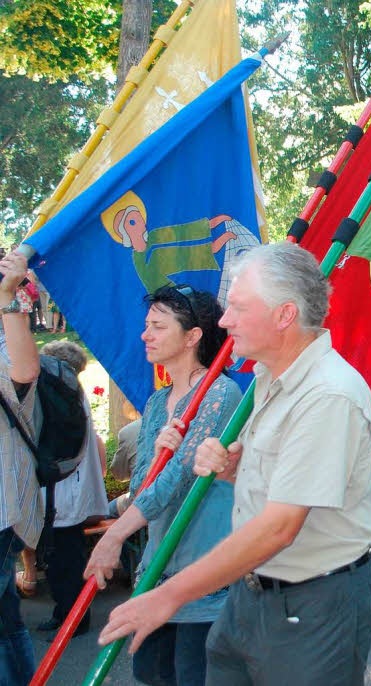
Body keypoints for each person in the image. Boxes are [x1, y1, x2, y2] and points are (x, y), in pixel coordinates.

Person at [97, 243, 371, 685]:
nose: (223, 322)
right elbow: (270, 474)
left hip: (312, 606)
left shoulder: (328, 395)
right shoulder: (270, 377)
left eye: (237, 308)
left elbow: (279, 527)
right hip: (250, 597)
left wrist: (167, 596)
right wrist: (232, 466)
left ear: (284, 315)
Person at [85, 285, 241, 685]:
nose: (145, 335)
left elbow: (177, 481)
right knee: (152, 676)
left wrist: (113, 537)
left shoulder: (220, 393)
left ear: (192, 337)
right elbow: (144, 487)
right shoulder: (157, 402)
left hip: (204, 578)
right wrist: (155, 452)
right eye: (146, 325)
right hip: (157, 571)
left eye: (157, 326)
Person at [28, 341, 107, 640]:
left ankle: (75, 619)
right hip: (68, 488)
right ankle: (64, 613)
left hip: (63, 489)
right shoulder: (70, 392)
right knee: (63, 557)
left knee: (66, 560)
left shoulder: (61, 394)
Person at [0, 250, 43, 686]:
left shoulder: (5, 333)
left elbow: (25, 370)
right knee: (7, 621)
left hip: (2, 507)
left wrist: (7, 295)